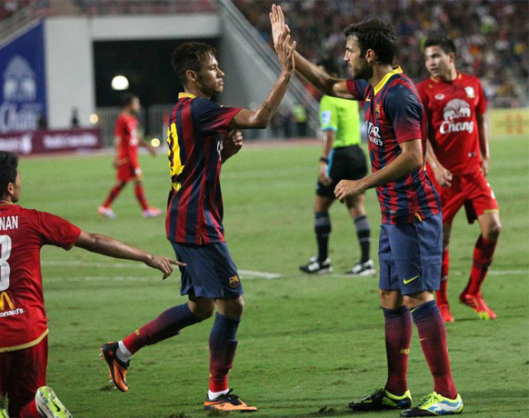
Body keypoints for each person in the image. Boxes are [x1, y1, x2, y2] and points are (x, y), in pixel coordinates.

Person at [270, 6, 462, 416]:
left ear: (370, 55)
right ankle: (397, 390)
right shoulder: (371, 88)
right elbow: (324, 82)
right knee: (390, 295)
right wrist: (287, 53)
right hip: (392, 214)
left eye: (350, 49)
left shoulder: (399, 94)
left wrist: (362, 182)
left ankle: (448, 394)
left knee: (417, 296)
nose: (345, 56)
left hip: (413, 212)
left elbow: (413, 157)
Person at [100, 36, 296, 413]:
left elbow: (194, 169)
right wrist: (285, 72)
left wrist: (226, 153)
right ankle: (218, 394)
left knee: (202, 306)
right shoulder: (202, 110)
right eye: (212, 67)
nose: (220, 72)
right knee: (232, 304)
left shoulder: (180, 110)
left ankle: (121, 350)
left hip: (185, 216)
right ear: (193, 75)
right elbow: (261, 119)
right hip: (197, 223)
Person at [0, 149, 182, 418]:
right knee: (25, 404)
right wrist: (148, 256)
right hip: (30, 332)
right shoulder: (34, 220)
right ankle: (39, 409)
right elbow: (94, 240)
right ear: (10, 187)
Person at [417, 34, 501, 322]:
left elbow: (480, 120)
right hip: (443, 177)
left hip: (473, 172)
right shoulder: (424, 91)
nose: (431, 62)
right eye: (428, 57)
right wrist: (436, 167)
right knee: (442, 241)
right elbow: (420, 136)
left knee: (493, 228)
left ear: (451, 57)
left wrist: (486, 155)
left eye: (437, 56)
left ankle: (472, 293)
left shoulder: (473, 85)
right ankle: (441, 303)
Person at [299, 58, 374, 276]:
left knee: (320, 206)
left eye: (319, 72)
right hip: (358, 155)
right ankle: (366, 261)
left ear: (329, 74)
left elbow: (330, 132)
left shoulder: (329, 99)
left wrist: (324, 161)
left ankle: (322, 260)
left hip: (340, 156)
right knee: (357, 208)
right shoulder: (350, 98)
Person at [98, 93, 161, 219]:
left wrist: (148, 148)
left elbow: (136, 138)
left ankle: (105, 207)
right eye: (136, 103)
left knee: (122, 183)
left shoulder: (132, 119)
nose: (138, 106)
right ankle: (146, 210)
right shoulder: (122, 119)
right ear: (129, 105)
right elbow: (118, 139)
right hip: (127, 158)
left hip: (131, 157)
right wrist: (116, 157)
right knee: (137, 180)